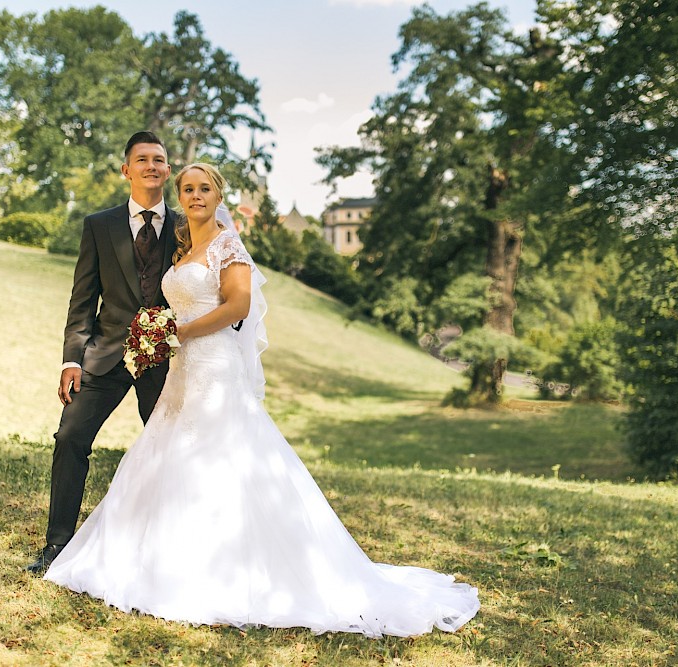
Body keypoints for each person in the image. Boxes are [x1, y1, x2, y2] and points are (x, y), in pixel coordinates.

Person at [44, 163, 480, 637]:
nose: (194, 196)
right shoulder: (183, 246)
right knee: (166, 454)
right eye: (187, 189)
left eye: (204, 189)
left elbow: (238, 306)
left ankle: (225, 571)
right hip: (182, 369)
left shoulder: (228, 245)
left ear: (218, 195)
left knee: (215, 458)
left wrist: (177, 332)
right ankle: (158, 558)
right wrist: (161, 335)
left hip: (213, 365)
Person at [26, 131, 181, 574]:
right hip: (106, 354)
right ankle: (57, 546)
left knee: (171, 452)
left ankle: (165, 549)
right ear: (125, 170)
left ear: (168, 171)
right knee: (70, 438)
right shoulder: (100, 225)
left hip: (166, 360)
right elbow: (83, 297)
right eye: (143, 159)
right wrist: (72, 358)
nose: (152, 166)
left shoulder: (187, 225)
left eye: (160, 160)